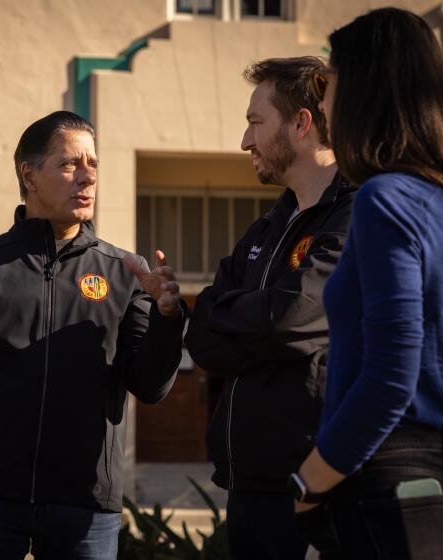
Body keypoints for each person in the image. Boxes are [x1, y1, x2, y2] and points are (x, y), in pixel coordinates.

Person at [0, 110, 186, 560]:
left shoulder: (125, 273)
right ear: (29, 174)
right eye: (70, 164)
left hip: (86, 504)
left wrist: (168, 319)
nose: (87, 177)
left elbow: (149, 385)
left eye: (94, 164)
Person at [292, 8, 443, 560]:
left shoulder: (382, 199)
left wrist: (307, 484)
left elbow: (391, 377)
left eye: (326, 81)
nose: (321, 100)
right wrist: (424, 453)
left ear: (364, 90)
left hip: (377, 499)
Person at [184, 57, 353, 559]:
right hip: (245, 488)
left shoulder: (358, 214)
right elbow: (203, 338)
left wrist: (241, 318)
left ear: (302, 123)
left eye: (256, 123)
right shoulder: (265, 228)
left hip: (313, 489)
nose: (245, 141)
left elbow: (292, 314)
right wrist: (260, 323)